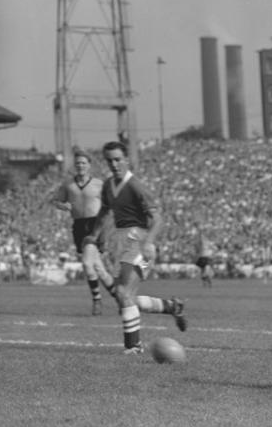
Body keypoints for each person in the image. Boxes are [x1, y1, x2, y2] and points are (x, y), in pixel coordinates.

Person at [86, 141, 187, 354]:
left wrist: (149, 242)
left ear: (126, 160)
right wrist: (94, 236)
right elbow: (104, 213)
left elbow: (157, 218)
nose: (114, 164)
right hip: (122, 240)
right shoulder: (108, 186)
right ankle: (171, 306)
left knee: (124, 293)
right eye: (109, 160)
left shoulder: (135, 186)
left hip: (139, 239)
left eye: (117, 159)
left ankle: (133, 346)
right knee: (124, 297)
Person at [49, 147, 117, 315]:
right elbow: (56, 200)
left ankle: (97, 301)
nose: (80, 165)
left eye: (83, 163)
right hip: (78, 225)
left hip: (96, 225)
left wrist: (107, 230)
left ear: (89, 165)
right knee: (98, 268)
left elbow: (110, 206)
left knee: (87, 263)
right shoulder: (68, 185)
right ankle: (120, 297)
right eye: (78, 163)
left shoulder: (99, 184)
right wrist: (62, 205)